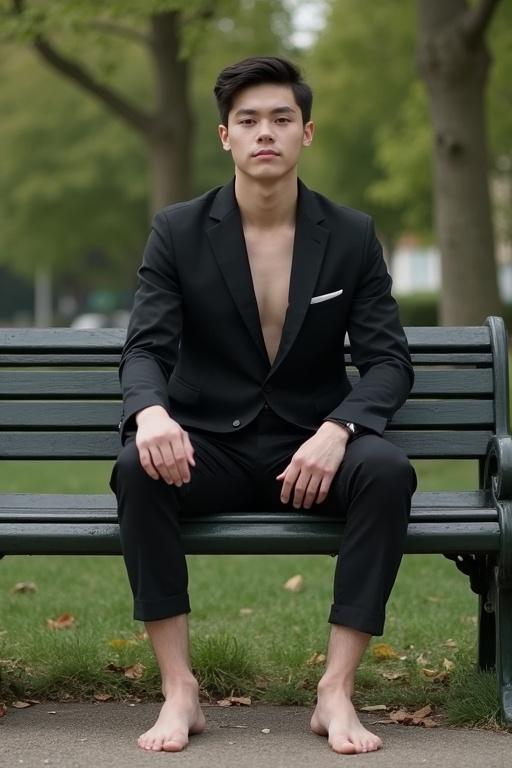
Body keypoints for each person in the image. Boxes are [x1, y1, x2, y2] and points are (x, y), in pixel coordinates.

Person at [110, 55, 417, 756]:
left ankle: (335, 690)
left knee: (388, 472)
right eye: (247, 121)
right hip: (207, 446)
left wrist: (341, 428)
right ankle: (179, 688)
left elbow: (389, 361)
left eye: (281, 118)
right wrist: (151, 414)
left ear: (307, 132)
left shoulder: (349, 234)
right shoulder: (179, 231)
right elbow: (145, 349)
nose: (265, 133)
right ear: (225, 137)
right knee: (136, 469)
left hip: (311, 448)